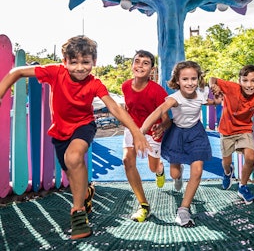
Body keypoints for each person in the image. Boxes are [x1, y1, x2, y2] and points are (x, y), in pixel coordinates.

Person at [0, 36, 150, 240]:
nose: (80, 68)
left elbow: (114, 107)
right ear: (65, 62)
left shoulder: (95, 84)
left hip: (83, 126)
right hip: (60, 131)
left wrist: (136, 131)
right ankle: (86, 194)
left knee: (74, 158)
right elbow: (16, 72)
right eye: (74, 62)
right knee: (72, 173)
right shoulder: (55, 72)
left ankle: (78, 214)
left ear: (94, 62)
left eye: (85, 62)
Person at [141, 60, 221, 227]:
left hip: (196, 133)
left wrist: (218, 101)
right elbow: (158, 111)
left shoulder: (201, 94)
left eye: (193, 78)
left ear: (198, 79)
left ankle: (183, 209)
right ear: (177, 80)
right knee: (175, 174)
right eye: (185, 79)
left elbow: (209, 101)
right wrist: (140, 132)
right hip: (177, 134)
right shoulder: (174, 99)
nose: (190, 83)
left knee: (197, 170)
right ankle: (179, 172)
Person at [209, 64, 254, 204]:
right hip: (227, 131)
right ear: (239, 80)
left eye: (253, 81)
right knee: (226, 162)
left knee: (251, 157)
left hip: (244, 130)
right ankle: (228, 172)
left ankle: (243, 187)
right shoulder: (232, 88)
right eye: (245, 80)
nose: (249, 84)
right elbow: (212, 78)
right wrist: (213, 86)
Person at [122, 50, 171, 222]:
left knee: (152, 167)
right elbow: (128, 108)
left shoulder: (157, 91)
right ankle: (144, 205)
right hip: (133, 128)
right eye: (137, 61)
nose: (140, 66)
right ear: (132, 65)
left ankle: (160, 169)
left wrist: (162, 127)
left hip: (152, 132)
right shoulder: (125, 86)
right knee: (127, 160)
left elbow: (167, 120)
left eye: (145, 63)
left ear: (152, 69)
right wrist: (127, 122)